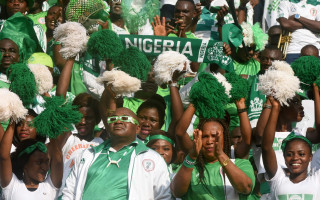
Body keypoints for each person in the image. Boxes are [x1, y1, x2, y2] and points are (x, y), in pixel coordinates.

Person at [60, 107, 172, 199]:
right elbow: (69, 192)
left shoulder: (153, 158)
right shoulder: (87, 154)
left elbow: (164, 196)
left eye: (124, 118)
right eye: (113, 119)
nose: (118, 121)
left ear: (137, 128)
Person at [172, 103, 255, 199]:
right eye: (205, 136)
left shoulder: (240, 164)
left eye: (215, 136)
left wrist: (220, 155)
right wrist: (192, 156)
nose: (209, 141)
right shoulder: (190, 166)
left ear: (225, 139)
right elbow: (177, 191)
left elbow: (246, 188)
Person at [262, 95, 320, 199]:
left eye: (301, 154)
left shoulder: (317, 181)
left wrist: (316, 93)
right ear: (284, 158)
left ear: (310, 157)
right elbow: (266, 147)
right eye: (289, 154)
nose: (295, 158)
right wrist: (275, 108)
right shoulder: (278, 180)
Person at [0, 122, 63, 199]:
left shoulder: (50, 186)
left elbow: (58, 161)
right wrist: (13, 120)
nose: (44, 167)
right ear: (24, 163)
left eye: (46, 162)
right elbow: (4, 156)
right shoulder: (12, 186)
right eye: (39, 162)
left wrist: (50, 123)